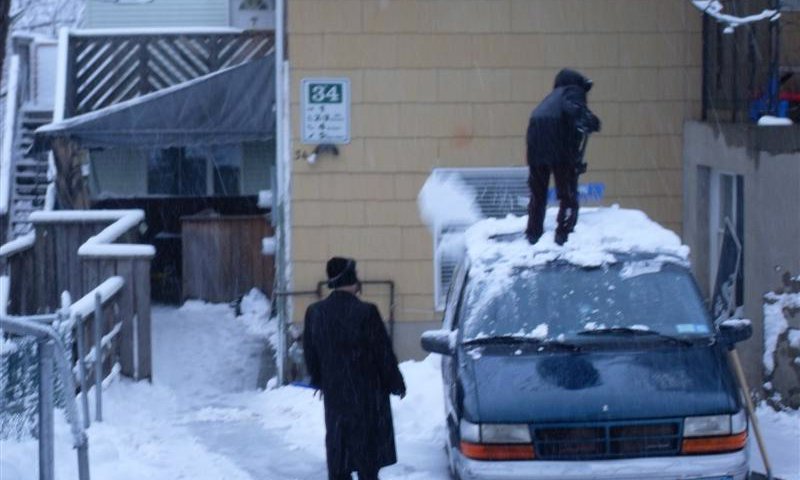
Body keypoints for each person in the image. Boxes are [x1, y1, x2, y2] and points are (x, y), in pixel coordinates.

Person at [303, 257, 406, 480]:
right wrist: (395, 382)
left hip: (336, 396)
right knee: (367, 458)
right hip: (367, 397)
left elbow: (310, 355)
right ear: (351, 279)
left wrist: (320, 380)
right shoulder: (367, 312)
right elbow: (383, 354)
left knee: (339, 455)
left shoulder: (315, 312)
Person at [525, 68, 601, 246]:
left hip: (535, 143)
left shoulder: (549, 99)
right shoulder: (572, 91)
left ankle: (533, 233)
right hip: (559, 144)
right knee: (567, 191)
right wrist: (591, 121)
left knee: (538, 193)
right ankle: (564, 234)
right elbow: (574, 110)